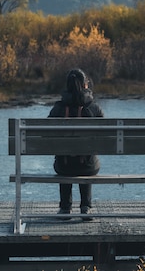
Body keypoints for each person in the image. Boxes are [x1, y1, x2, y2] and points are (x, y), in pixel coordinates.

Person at [49, 68, 104, 221]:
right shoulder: (94, 108)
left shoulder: (58, 109)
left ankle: (65, 207)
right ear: (86, 85)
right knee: (89, 157)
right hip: (88, 167)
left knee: (63, 158)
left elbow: (46, 136)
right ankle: (85, 207)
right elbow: (105, 136)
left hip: (63, 166)